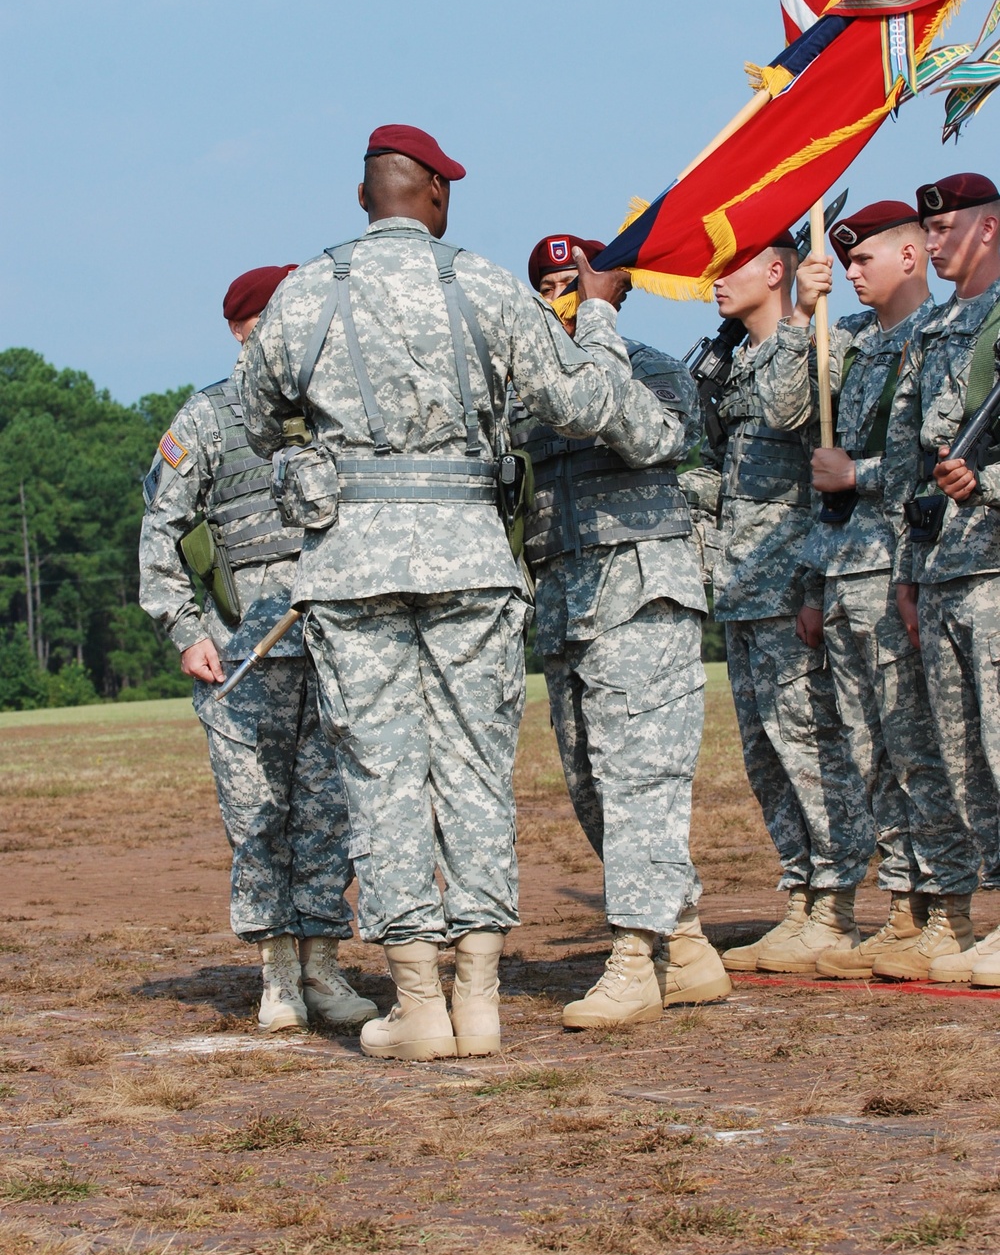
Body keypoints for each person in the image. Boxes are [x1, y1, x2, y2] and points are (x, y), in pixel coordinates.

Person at [238, 125, 634, 1061]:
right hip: (468, 559)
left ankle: (416, 1000)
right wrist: (605, 323)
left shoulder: (306, 292)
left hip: (352, 564)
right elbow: (579, 403)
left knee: (381, 775)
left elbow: (255, 419)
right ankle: (480, 998)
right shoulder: (486, 283)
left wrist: (321, 442)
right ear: (438, 197)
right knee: (472, 770)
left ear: (364, 196)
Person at [138, 264, 377, 1033]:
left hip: (335, 647)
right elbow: (160, 536)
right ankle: (275, 973)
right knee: (258, 819)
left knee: (328, 816)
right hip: (241, 661)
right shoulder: (206, 419)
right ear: (244, 330)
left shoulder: (337, 413)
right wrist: (186, 633)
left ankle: (322, 967)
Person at [508, 235, 730, 1029]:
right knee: (596, 792)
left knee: (641, 782)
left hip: (642, 589)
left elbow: (650, 437)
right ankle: (689, 939)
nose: (560, 296)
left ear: (609, 289)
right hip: (564, 601)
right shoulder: (523, 389)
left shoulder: (650, 363)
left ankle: (634, 958)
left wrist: (596, 332)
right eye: (548, 287)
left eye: (576, 283)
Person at [786, 204, 980, 980]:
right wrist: (806, 315)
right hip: (840, 568)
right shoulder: (854, 347)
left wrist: (857, 476)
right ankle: (903, 902)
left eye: (864, 259)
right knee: (870, 749)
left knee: (914, 745)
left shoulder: (932, 342)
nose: (852, 273)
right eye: (846, 261)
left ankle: (946, 903)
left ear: (909, 258)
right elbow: (799, 426)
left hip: (891, 562)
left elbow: (919, 466)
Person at [707, 234, 873, 975]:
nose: (716, 278)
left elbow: (803, 443)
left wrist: (804, 318)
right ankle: (801, 894)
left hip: (788, 590)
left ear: (775, 270)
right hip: (743, 591)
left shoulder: (813, 348)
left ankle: (836, 905)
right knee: (767, 756)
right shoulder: (740, 360)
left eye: (733, 264)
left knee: (809, 747)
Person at [885, 172, 1000, 987]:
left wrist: (988, 485)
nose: (935, 240)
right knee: (963, 758)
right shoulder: (931, 327)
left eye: (949, 225)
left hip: (995, 559)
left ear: (989, 229)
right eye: (929, 227)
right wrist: (903, 567)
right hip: (940, 565)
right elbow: (905, 459)